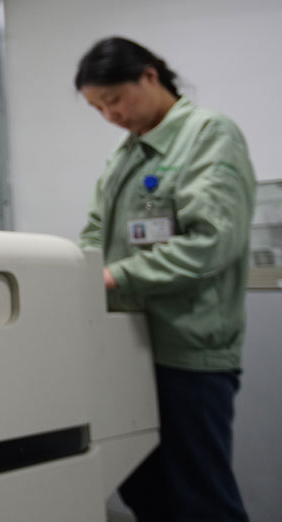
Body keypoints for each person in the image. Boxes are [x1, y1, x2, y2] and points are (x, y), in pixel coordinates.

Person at [75, 37, 254, 522]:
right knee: (143, 489)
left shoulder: (208, 134)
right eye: (98, 108)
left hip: (188, 351)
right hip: (128, 347)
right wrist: (76, 272)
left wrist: (115, 277)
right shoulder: (125, 153)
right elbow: (95, 231)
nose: (110, 115)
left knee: (200, 498)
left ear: (150, 76)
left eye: (114, 99)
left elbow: (212, 242)